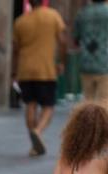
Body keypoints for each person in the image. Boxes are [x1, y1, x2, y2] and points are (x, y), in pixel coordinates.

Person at [12, 0, 66, 157]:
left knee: (30, 104)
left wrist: (14, 71)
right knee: (48, 106)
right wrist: (61, 62)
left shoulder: (21, 21)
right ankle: (38, 130)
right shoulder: (53, 16)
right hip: (46, 69)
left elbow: (16, 49)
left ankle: (34, 146)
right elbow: (62, 41)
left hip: (25, 69)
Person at [72, 0, 108, 110]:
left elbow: (75, 39)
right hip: (107, 64)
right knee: (106, 104)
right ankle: (102, 127)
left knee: (88, 103)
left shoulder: (82, 13)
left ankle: (89, 126)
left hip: (86, 63)